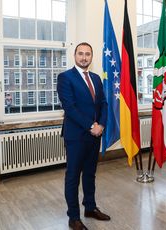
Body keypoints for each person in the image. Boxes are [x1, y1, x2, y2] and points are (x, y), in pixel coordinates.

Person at [57, 42, 110, 230]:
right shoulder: (65, 78)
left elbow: (103, 103)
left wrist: (101, 125)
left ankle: (90, 207)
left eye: (88, 54)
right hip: (76, 136)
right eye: (81, 53)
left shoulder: (96, 78)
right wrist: (91, 126)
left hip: (95, 136)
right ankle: (73, 217)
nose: (84, 57)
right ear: (75, 55)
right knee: (73, 176)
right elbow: (69, 108)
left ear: (91, 57)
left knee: (90, 174)